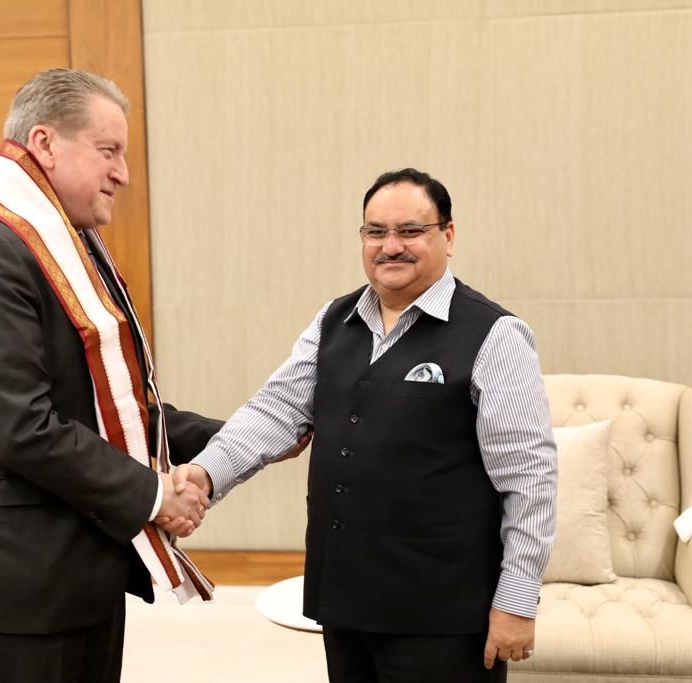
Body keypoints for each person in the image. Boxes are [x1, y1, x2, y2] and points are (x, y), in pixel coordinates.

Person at [0, 68, 303, 683]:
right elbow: (17, 428)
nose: (123, 173)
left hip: (82, 570)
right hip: (11, 584)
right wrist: (157, 495)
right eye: (109, 151)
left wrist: (252, 435)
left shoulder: (73, 251)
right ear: (46, 144)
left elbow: (116, 409)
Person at [181, 169, 558, 682]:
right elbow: (275, 410)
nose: (390, 246)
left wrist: (516, 602)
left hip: (442, 614)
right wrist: (204, 475)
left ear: (447, 236)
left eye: (410, 231)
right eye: (375, 231)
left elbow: (529, 479)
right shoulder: (334, 320)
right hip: (345, 601)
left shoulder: (496, 334)